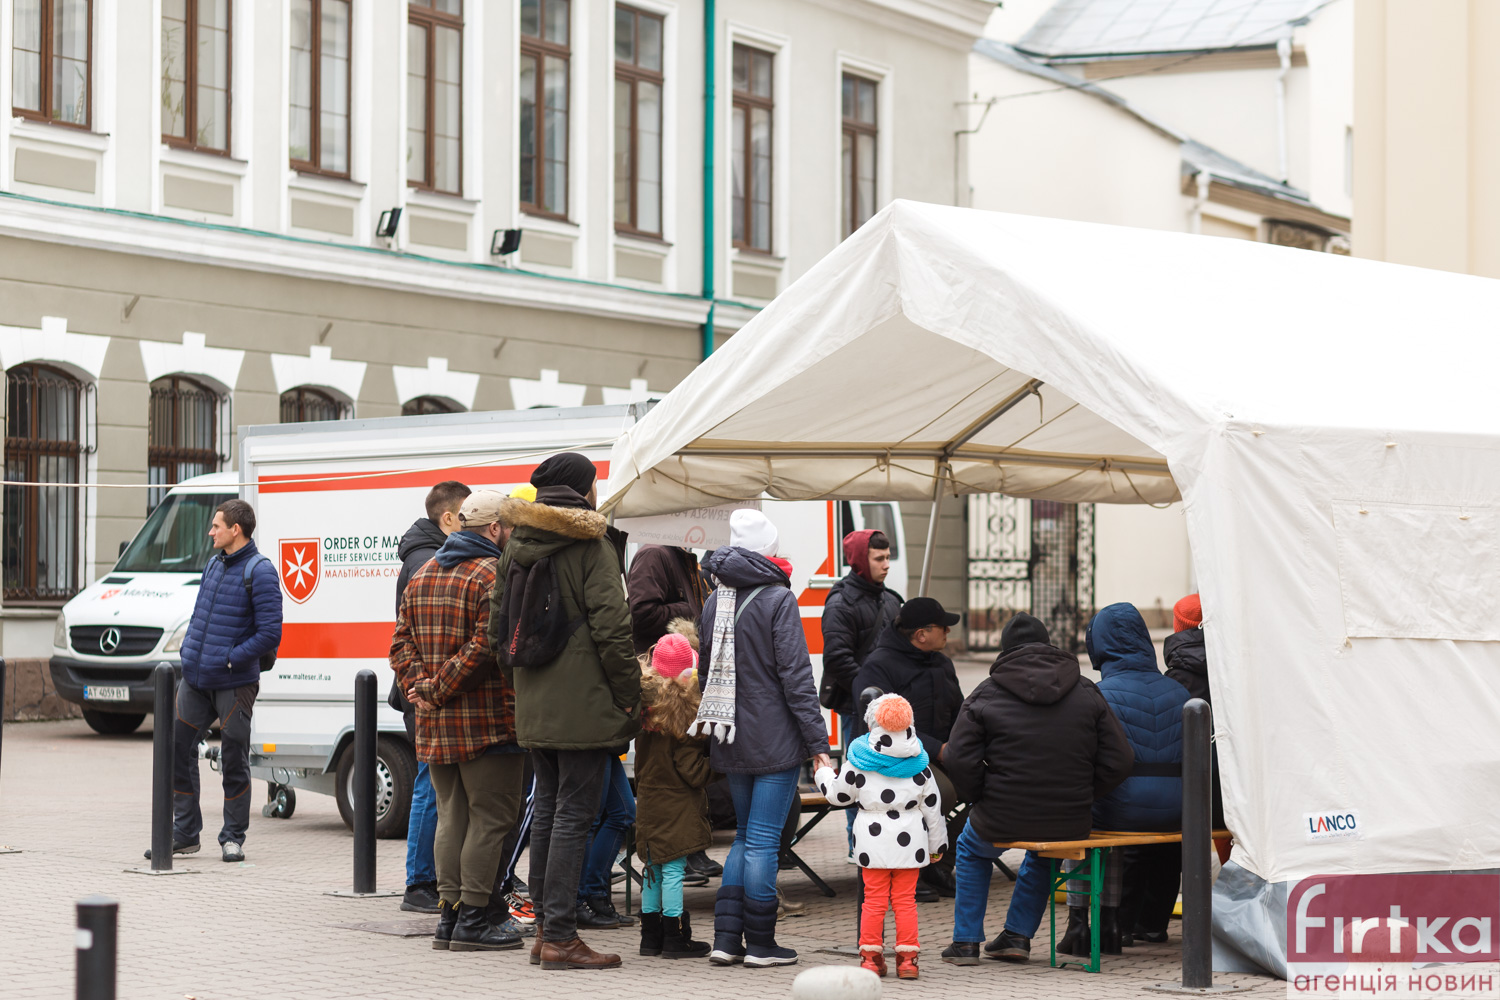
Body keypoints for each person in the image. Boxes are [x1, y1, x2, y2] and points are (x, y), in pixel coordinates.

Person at [490, 452, 640, 971]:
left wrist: (520, 684)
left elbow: (497, 628)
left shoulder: (516, 545)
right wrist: (628, 692)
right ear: (582, 490)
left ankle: (544, 933)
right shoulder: (591, 544)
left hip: (535, 701)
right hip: (584, 702)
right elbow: (613, 627)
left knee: (550, 814)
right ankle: (560, 937)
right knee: (574, 816)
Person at [938, 613, 1133, 966]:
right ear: (1048, 644)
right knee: (1046, 852)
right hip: (1067, 816)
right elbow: (1120, 759)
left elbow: (958, 758)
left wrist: (979, 795)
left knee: (971, 850)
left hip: (1001, 813)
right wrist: (1084, 793)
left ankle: (965, 942)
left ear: (1005, 650)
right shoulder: (1085, 689)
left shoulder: (986, 691)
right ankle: (1017, 936)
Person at [696, 509, 832, 969]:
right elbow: (796, 677)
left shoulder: (715, 599)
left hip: (730, 734)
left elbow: (704, 674)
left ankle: (726, 940)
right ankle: (760, 943)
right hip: (774, 738)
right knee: (762, 841)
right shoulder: (778, 598)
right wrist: (818, 744)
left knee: (742, 839)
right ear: (769, 551)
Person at [395, 490, 524, 953]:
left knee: (452, 818)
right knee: (490, 820)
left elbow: (399, 643)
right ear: (495, 529)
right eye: (511, 527)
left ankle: (449, 917)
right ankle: (473, 918)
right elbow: (484, 647)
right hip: (485, 722)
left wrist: (421, 686)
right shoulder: (493, 573)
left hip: (435, 724)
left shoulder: (424, 572)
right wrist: (435, 687)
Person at [147, 500, 282, 864]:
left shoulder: (261, 571)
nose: (210, 532)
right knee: (177, 748)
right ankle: (185, 833)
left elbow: (270, 634)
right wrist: (190, 650)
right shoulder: (213, 564)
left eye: (216, 526)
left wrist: (231, 657)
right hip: (196, 678)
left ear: (235, 530)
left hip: (234, 683)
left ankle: (233, 837)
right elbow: (200, 615)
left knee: (234, 758)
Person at [1075, 602, 1191, 953]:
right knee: (1169, 841)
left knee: (1115, 829)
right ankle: (1153, 924)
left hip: (1121, 809)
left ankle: (1118, 925)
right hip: (1178, 808)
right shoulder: (1178, 691)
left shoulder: (1101, 694)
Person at [814, 694, 947, 981]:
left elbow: (838, 797)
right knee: (905, 901)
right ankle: (908, 961)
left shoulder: (859, 760)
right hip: (910, 840)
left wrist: (823, 773)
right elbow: (933, 809)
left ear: (871, 723)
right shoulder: (919, 762)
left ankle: (871, 959)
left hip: (871, 840)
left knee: (873, 901)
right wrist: (937, 845)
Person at [851, 597, 966, 898]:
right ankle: (910, 874)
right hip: (895, 761)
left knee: (990, 788)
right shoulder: (879, 666)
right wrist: (937, 749)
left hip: (940, 755)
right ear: (921, 634)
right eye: (943, 627)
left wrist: (966, 743)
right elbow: (880, 725)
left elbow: (961, 711)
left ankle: (939, 865)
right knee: (940, 793)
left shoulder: (942, 663)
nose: (948, 632)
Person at [392, 480, 471, 914]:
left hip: (425, 689)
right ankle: (419, 882)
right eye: (467, 514)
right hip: (427, 693)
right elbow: (412, 637)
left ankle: (430, 878)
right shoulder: (428, 560)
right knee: (429, 785)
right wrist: (427, 688)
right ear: (448, 518)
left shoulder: (426, 553)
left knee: (436, 785)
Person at [627, 543, 721, 883]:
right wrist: (688, 607)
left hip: (672, 689)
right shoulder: (655, 554)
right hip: (668, 692)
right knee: (668, 868)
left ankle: (685, 857)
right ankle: (672, 913)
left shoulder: (683, 558)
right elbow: (641, 611)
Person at [821, 529, 902, 860]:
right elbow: (837, 659)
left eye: (888, 557)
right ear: (859, 561)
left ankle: (891, 850)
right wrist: (871, 699)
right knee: (860, 781)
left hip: (895, 712)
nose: (887, 564)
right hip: (858, 711)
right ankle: (861, 852)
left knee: (893, 781)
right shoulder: (841, 603)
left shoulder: (892, 600)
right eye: (879, 558)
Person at [635, 626, 715, 960]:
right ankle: (674, 936)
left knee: (653, 867)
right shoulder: (685, 716)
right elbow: (692, 772)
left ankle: (649, 937)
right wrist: (717, 765)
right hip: (677, 804)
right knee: (672, 870)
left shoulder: (645, 711)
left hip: (649, 800)